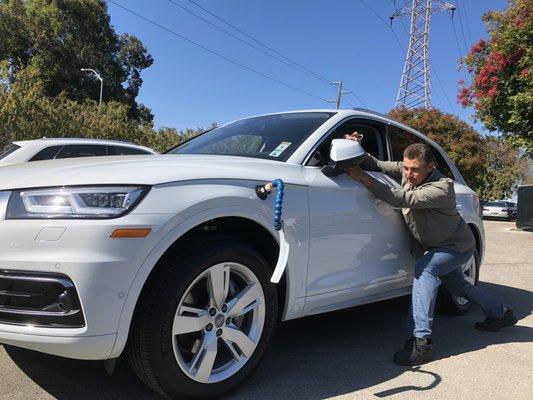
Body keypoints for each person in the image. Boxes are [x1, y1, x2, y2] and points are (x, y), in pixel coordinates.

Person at [344, 132, 517, 366]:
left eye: (414, 169)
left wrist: (363, 178)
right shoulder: (409, 171)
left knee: (425, 269)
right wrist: (355, 147)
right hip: (437, 246)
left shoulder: (442, 188)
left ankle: (421, 341)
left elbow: (401, 198)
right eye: (405, 168)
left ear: (430, 167)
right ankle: (500, 312)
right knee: (458, 285)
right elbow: (375, 163)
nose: (407, 174)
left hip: (457, 246)